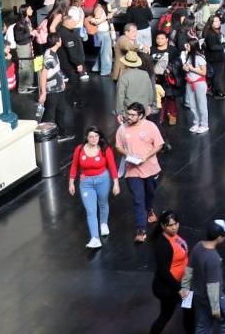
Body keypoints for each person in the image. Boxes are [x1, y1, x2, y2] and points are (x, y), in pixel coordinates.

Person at [117, 102, 165, 243]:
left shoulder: (150, 127)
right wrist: (127, 155)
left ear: (141, 116)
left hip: (150, 168)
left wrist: (146, 157)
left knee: (150, 193)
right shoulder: (122, 129)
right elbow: (118, 146)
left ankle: (149, 208)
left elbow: (159, 145)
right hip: (132, 170)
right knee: (138, 199)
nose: (129, 117)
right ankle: (141, 229)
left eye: (132, 115)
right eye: (128, 114)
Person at [69, 126, 119, 248]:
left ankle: (103, 223)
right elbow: (74, 165)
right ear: (86, 137)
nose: (94, 139)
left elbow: (112, 166)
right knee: (90, 210)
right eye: (91, 136)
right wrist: (71, 182)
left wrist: (116, 183)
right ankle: (95, 238)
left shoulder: (104, 149)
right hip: (86, 183)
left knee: (103, 203)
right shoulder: (80, 149)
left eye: (96, 136)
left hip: (103, 180)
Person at [186, 219, 225, 334]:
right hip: (212, 299)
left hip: (198, 295)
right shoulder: (213, 258)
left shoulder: (198, 246)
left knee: (203, 325)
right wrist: (215, 308)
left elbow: (189, 269)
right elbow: (213, 286)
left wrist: (185, 287)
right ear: (219, 238)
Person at [150, 210, 194, 334]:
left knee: (189, 310)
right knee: (166, 315)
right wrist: (179, 289)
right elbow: (163, 271)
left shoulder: (174, 236)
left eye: (176, 223)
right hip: (169, 288)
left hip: (182, 284)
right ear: (163, 226)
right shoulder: (162, 245)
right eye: (170, 225)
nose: (174, 227)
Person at [37, 34, 73, 139]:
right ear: (57, 42)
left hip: (58, 89)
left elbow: (56, 70)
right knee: (49, 113)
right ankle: (43, 136)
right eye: (60, 39)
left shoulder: (53, 53)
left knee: (61, 110)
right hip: (52, 90)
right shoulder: (50, 56)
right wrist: (43, 92)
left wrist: (62, 81)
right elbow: (44, 74)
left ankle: (61, 133)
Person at [183, 40, 211, 133]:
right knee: (192, 104)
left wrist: (191, 69)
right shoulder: (188, 56)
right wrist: (185, 68)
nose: (185, 45)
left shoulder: (200, 58)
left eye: (187, 44)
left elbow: (204, 72)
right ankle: (196, 122)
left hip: (199, 83)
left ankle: (204, 124)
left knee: (201, 104)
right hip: (189, 82)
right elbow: (188, 68)